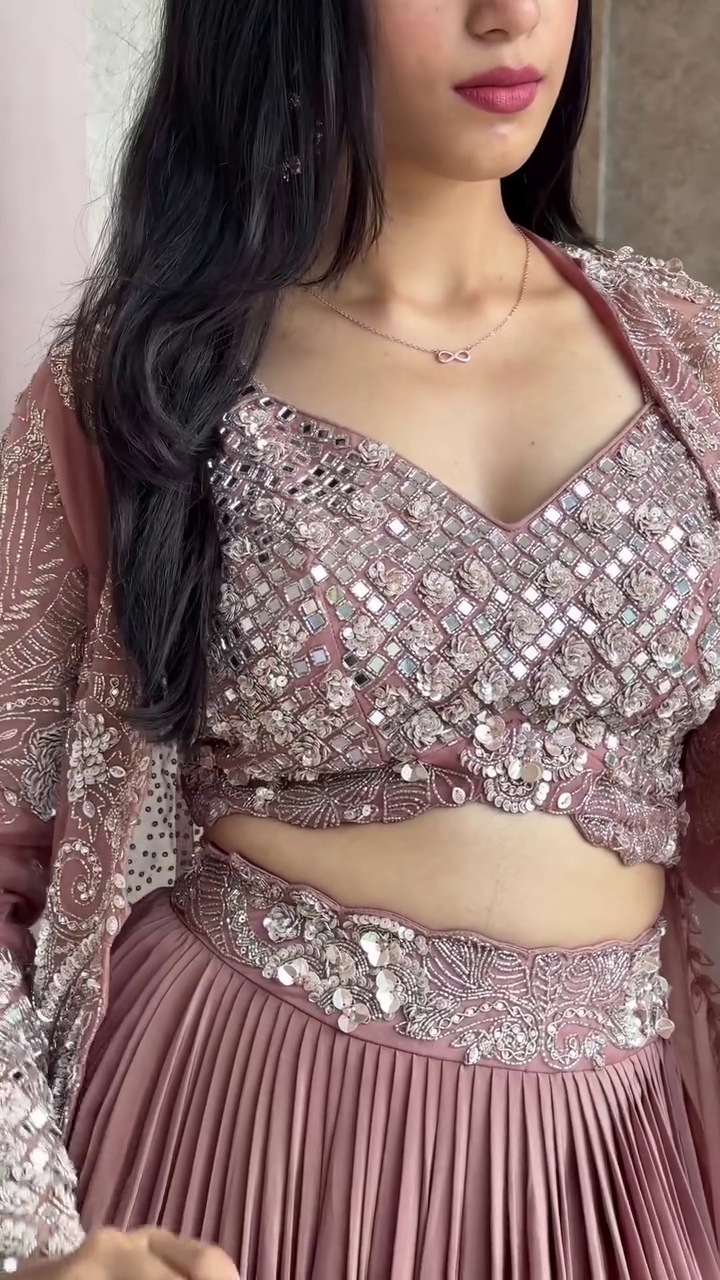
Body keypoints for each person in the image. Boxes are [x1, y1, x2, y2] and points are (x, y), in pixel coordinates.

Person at [2, 0, 720, 1275]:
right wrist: (33, 1243)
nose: (509, 15)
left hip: (605, 1173)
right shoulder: (144, 383)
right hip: (240, 1143)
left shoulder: (697, 368)